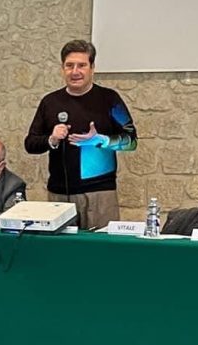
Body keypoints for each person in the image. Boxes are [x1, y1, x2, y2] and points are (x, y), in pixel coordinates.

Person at [24, 40, 137, 229]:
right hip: (59, 194)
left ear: (92, 68)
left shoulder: (109, 99)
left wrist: (100, 140)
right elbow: (30, 144)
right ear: (62, 69)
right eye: (69, 66)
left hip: (100, 194)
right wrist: (51, 139)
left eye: (82, 65)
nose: (75, 71)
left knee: (100, 246)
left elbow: (132, 141)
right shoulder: (50, 102)